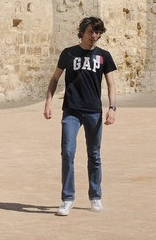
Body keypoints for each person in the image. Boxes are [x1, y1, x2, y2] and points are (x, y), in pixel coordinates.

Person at [43, 16, 117, 216]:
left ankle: (95, 196)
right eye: (91, 31)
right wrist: (48, 102)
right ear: (82, 32)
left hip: (94, 111)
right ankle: (67, 199)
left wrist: (112, 108)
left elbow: (111, 84)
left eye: (97, 32)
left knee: (94, 155)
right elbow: (55, 78)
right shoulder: (68, 54)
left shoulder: (104, 56)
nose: (94, 36)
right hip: (72, 111)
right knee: (67, 152)